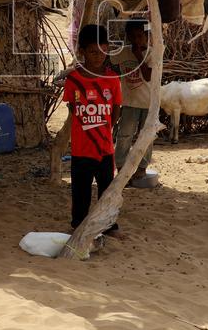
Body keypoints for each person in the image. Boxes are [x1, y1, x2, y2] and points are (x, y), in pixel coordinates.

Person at [62, 24, 122, 230]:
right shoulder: (73, 80)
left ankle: (108, 225)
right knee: (81, 191)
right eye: (93, 52)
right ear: (82, 52)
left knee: (107, 189)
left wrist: (104, 129)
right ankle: (78, 225)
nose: (99, 56)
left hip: (105, 148)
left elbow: (116, 109)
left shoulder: (112, 80)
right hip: (80, 149)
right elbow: (72, 107)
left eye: (103, 51)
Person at [110, 19, 152, 181]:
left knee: (146, 137)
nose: (136, 40)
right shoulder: (123, 52)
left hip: (148, 104)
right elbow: (109, 62)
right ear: (127, 37)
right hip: (128, 103)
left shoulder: (152, 53)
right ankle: (120, 166)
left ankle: (142, 167)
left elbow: (148, 76)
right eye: (132, 37)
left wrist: (138, 54)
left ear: (147, 36)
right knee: (124, 135)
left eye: (140, 36)